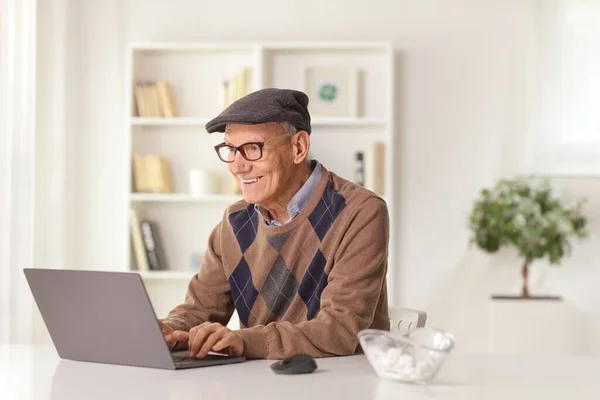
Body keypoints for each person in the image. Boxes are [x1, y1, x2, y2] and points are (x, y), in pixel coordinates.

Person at [159, 88, 390, 360]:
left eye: (252, 149)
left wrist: (245, 340)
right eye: (230, 150)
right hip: (262, 381)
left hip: (341, 382)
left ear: (298, 147)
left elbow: (340, 330)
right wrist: (169, 329)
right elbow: (200, 309)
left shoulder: (360, 212)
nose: (237, 166)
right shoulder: (235, 221)